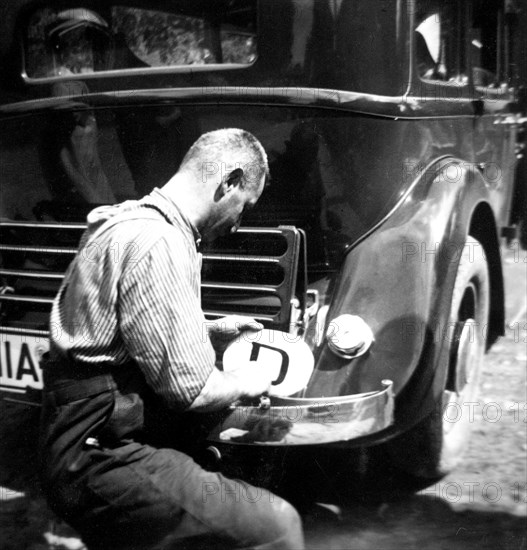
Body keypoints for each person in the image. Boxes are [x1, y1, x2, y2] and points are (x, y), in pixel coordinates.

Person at [38, 128, 305, 550]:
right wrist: (248, 379)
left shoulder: (130, 220)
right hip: (99, 458)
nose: (239, 223)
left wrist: (208, 332)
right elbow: (193, 392)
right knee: (277, 526)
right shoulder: (158, 241)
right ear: (229, 181)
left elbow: (120, 332)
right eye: (244, 206)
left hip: (79, 442)